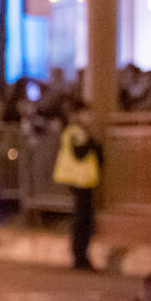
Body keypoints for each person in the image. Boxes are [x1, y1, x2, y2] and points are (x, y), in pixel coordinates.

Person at [53, 96, 101, 272]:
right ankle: (79, 257)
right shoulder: (75, 132)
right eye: (86, 113)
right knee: (81, 220)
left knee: (86, 219)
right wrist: (90, 138)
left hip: (86, 181)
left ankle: (82, 256)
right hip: (79, 181)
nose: (89, 117)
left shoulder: (81, 131)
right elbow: (80, 154)